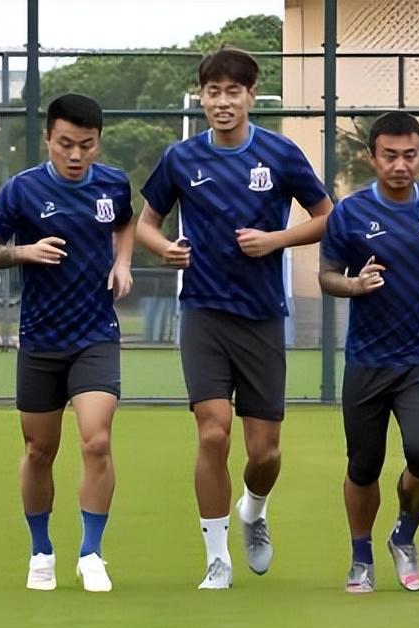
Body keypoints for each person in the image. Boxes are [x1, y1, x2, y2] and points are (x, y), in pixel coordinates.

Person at [135, 48, 332, 589]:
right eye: (213, 92)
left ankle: (254, 508)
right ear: (202, 97)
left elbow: (326, 217)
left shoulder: (281, 154)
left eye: (233, 92)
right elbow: (145, 223)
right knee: (214, 432)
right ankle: (216, 558)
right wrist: (164, 248)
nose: (223, 102)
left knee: (264, 453)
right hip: (203, 313)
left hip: (262, 316)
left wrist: (276, 240)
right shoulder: (180, 158)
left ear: (251, 96)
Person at [0, 94, 135, 593]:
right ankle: (41, 551)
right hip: (41, 340)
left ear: (98, 142)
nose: (75, 154)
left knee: (97, 440)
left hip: (96, 335)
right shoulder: (20, 191)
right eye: (65, 143)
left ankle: (92, 553)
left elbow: (126, 221)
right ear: (47, 139)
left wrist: (122, 262)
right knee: (39, 450)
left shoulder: (113, 184)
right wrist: (25, 251)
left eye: (86, 144)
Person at [319, 111, 419, 593]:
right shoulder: (349, 213)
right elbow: (327, 275)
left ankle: (404, 535)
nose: (400, 165)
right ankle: (360, 558)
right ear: (372, 158)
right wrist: (354, 285)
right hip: (366, 361)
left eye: (409, 155)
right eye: (390, 156)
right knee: (363, 467)